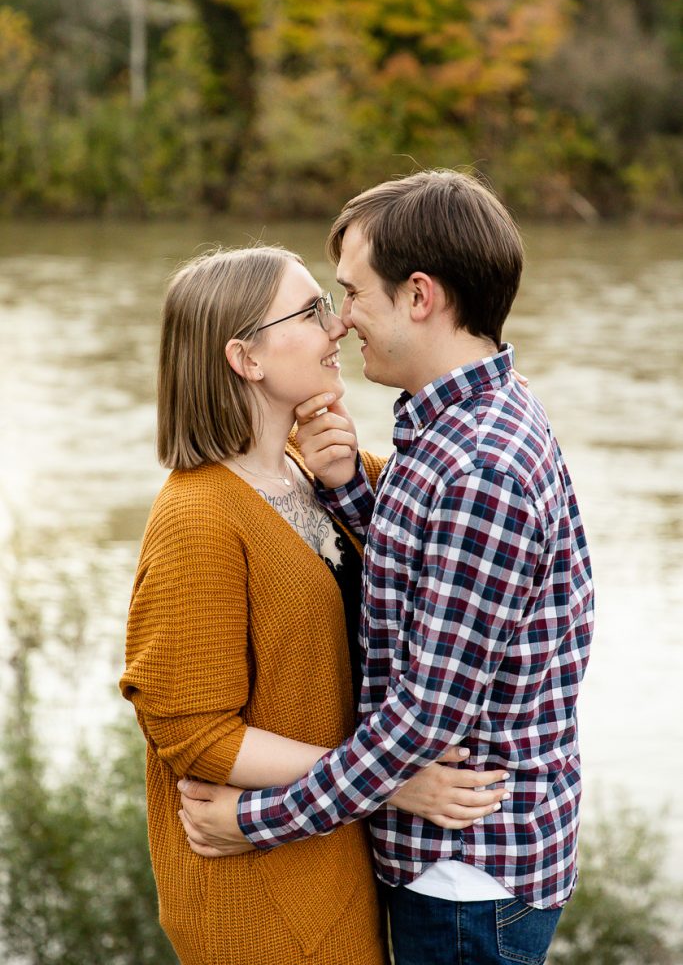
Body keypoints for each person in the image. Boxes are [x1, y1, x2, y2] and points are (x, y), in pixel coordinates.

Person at [178, 172, 595, 965]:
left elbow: (425, 717)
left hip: (464, 875)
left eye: (350, 294)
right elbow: (430, 586)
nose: (340, 324)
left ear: (418, 296)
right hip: (451, 863)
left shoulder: (478, 468)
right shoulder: (455, 422)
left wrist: (252, 820)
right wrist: (349, 495)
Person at [120, 244, 509, 965]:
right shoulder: (197, 518)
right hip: (258, 897)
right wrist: (390, 780)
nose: (336, 328)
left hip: (332, 863)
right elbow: (196, 737)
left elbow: (441, 556)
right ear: (246, 358)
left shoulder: (318, 472)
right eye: (311, 311)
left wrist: (342, 473)